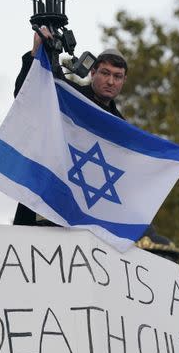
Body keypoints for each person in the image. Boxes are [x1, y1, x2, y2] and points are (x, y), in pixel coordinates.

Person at [12, 25, 128, 226]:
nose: (110, 81)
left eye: (117, 76)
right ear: (93, 72)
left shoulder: (122, 127)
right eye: (105, 73)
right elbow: (27, 95)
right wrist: (35, 52)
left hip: (88, 211)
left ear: (123, 80)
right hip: (48, 195)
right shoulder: (68, 96)